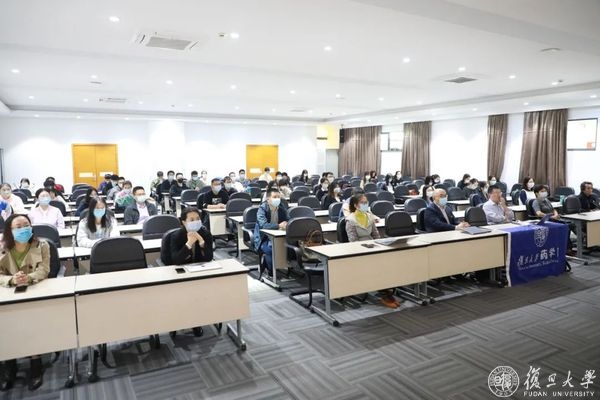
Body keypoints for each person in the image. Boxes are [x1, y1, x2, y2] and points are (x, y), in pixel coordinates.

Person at [0, 214, 50, 391]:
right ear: (10, 230)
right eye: (18, 226)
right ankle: (9, 364)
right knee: (6, 325)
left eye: (26, 225)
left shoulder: (42, 245)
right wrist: (11, 279)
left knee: (31, 323)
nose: (24, 229)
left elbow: (44, 269)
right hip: (7, 293)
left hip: (34, 290)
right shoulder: (1, 247)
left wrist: (28, 278)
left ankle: (36, 363)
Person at [345, 194, 399, 308]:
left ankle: (387, 292)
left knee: (387, 263)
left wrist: (380, 246)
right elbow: (353, 241)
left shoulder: (369, 217)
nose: (365, 204)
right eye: (362, 203)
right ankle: (385, 295)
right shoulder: (350, 220)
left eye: (366, 202)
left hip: (372, 247)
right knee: (377, 267)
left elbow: (376, 235)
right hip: (359, 251)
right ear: (356, 205)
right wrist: (366, 248)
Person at [254, 189, 289, 276]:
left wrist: (287, 223)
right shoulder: (262, 208)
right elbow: (263, 225)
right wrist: (279, 225)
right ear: (268, 199)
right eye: (274, 197)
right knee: (270, 249)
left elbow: (288, 219)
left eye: (278, 197)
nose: (277, 199)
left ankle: (285, 266)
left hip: (278, 235)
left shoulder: (281, 207)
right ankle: (270, 270)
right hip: (263, 238)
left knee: (289, 247)